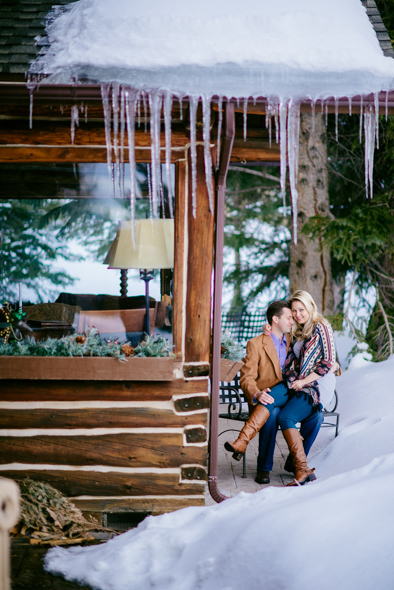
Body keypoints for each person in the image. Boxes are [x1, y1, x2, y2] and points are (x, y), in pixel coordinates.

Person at [224, 300, 323, 484]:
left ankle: (294, 464)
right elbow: (246, 379)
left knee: (317, 416)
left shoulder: (295, 342)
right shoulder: (255, 344)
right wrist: (257, 393)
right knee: (272, 411)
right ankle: (264, 468)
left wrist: (334, 366)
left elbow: (318, 356)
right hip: (268, 397)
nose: (292, 321)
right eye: (288, 317)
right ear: (275, 319)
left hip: (292, 395)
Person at [277, 290, 338, 485]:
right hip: (302, 384)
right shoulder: (297, 331)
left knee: (286, 417)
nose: (297, 314)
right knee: (316, 416)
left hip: (318, 385)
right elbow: (290, 362)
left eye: (301, 309)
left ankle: (300, 467)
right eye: (294, 310)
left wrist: (303, 381)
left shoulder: (321, 326)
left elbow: (329, 361)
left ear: (310, 307)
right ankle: (296, 465)